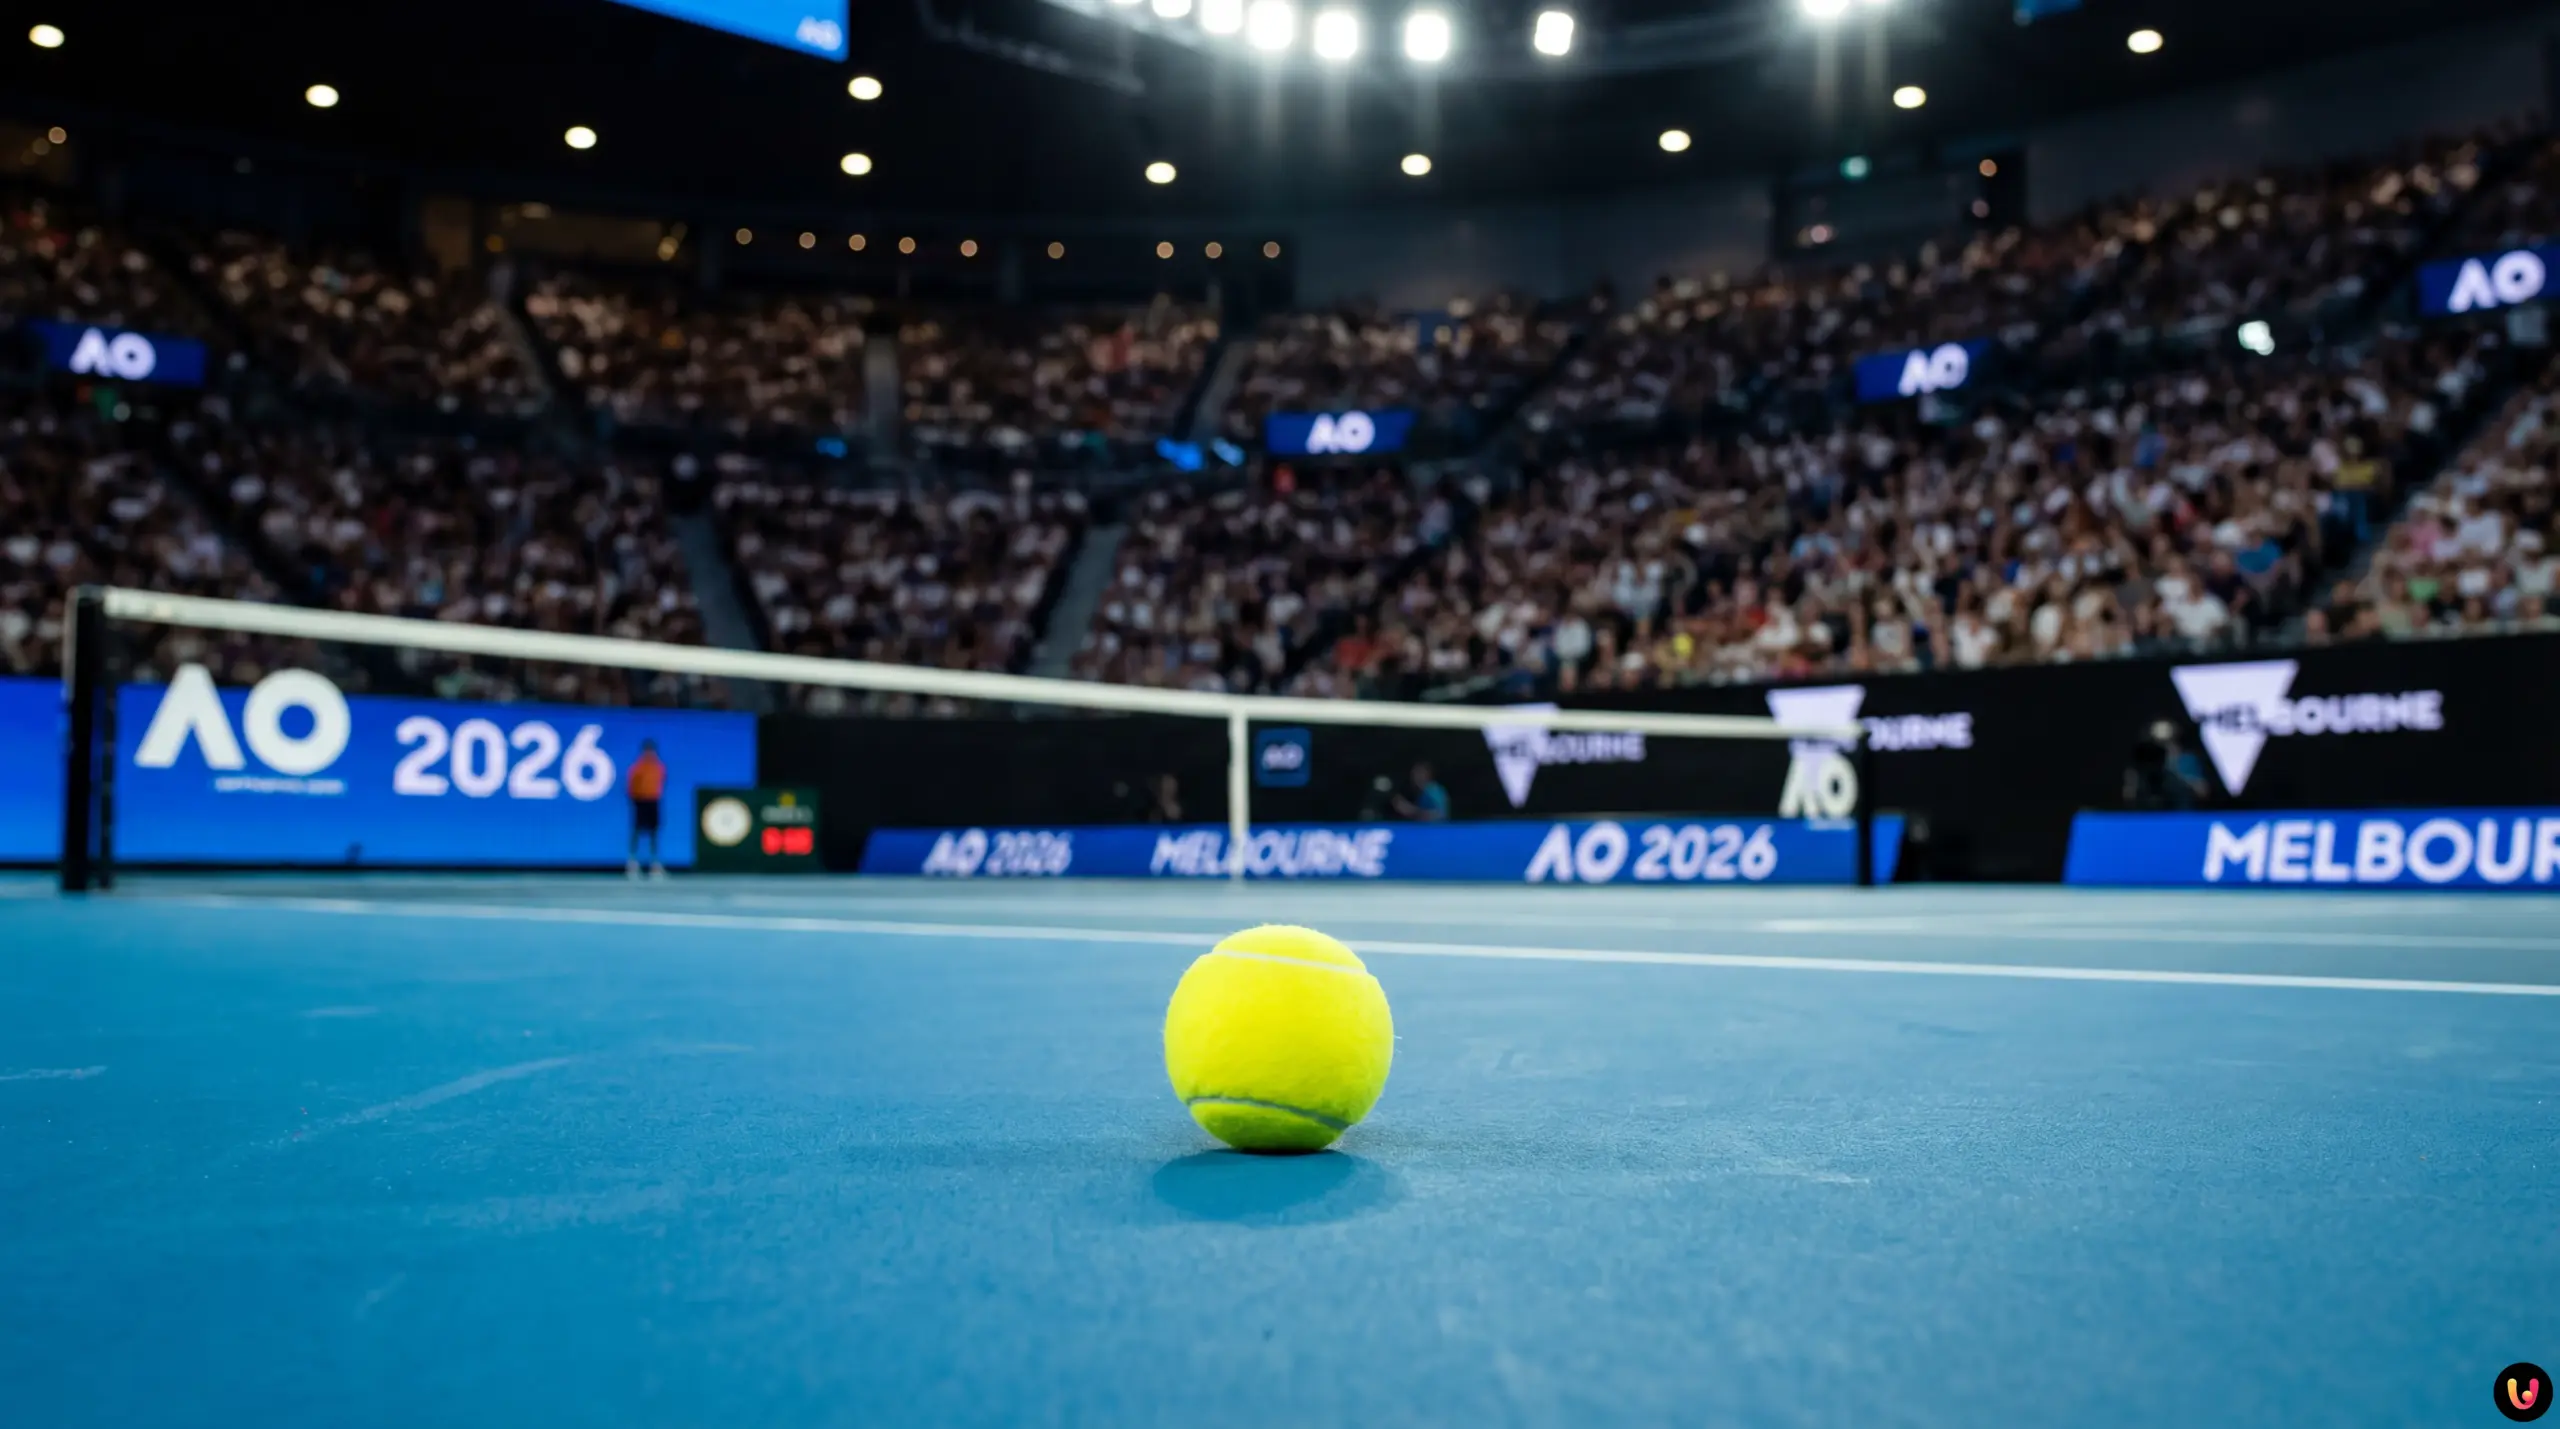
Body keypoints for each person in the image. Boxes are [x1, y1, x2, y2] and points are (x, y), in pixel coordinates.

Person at [2122, 719, 2208, 810]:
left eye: (2167, 742)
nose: (2163, 748)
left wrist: (2181, 783)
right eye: (2158, 743)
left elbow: (2203, 792)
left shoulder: (2188, 760)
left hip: (2181, 813)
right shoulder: (2142, 766)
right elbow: (2129, 795)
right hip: (2149, 815)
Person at [627, 739, 667, 880]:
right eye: (647, 751)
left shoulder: (659, 767)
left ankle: (654, 865)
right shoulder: (637, 768)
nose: (650, 753)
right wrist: (637, 798)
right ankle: (632, 864)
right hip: (640, 802)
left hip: (653, 801)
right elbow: (631, 786)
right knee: (637, 831)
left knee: (653, 832)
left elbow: (660, 783)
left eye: (652, 751)